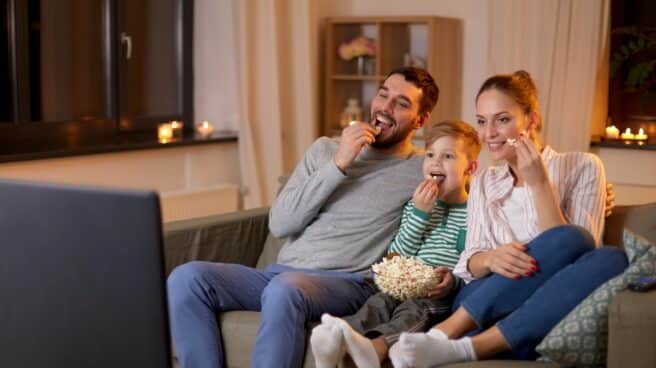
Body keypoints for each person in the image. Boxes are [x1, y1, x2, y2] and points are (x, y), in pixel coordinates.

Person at [166, 67, 439, 368]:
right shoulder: (326, 150)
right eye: (383, 95)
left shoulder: (421, 168)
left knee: (286, 288)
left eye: (401, 104)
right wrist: (339, 164)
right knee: (187, 278)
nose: (385, 108)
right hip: (280, 275)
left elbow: (464, 188)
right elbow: (281, 223)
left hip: (348, 283)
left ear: (421, 120)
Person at [388, 70, 628, 367]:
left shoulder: (582, 166)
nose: (488, 133)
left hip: (549, 305)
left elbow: (577, 254)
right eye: (481, 121)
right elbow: (468, 262)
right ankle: (446, 332)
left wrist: (539, 183)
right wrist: (490, 259)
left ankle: (464, 347)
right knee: (575, 237)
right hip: (483, 304)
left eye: (502, 120)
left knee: (610, 257)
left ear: (532, 119)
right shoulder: (484, 181)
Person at [309, 120, 481, 368]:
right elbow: (397, 255)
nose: (435, 162)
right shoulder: (417, 204)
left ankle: (373, 346)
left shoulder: (474, 213)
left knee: (411, 313)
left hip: (435, 298)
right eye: (430, 154)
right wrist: (420, 213)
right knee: (377, 304)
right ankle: (336, 337)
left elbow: (471, 265)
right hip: (402, 285)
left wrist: (451, 282)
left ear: (470, 168)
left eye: (448, 156)